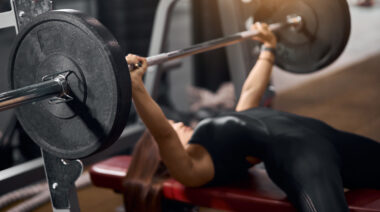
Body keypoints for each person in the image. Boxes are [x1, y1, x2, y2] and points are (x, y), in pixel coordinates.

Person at [123, 23, 380, 212]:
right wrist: (136, 87)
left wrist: (268, 47)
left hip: (329, 137)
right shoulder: (191, 169)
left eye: (173, 121)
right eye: (173, 125)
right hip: (302, 157)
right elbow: (162, 133)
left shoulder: (230, 129)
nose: (177, 123)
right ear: (162, 156)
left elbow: (250, 91)